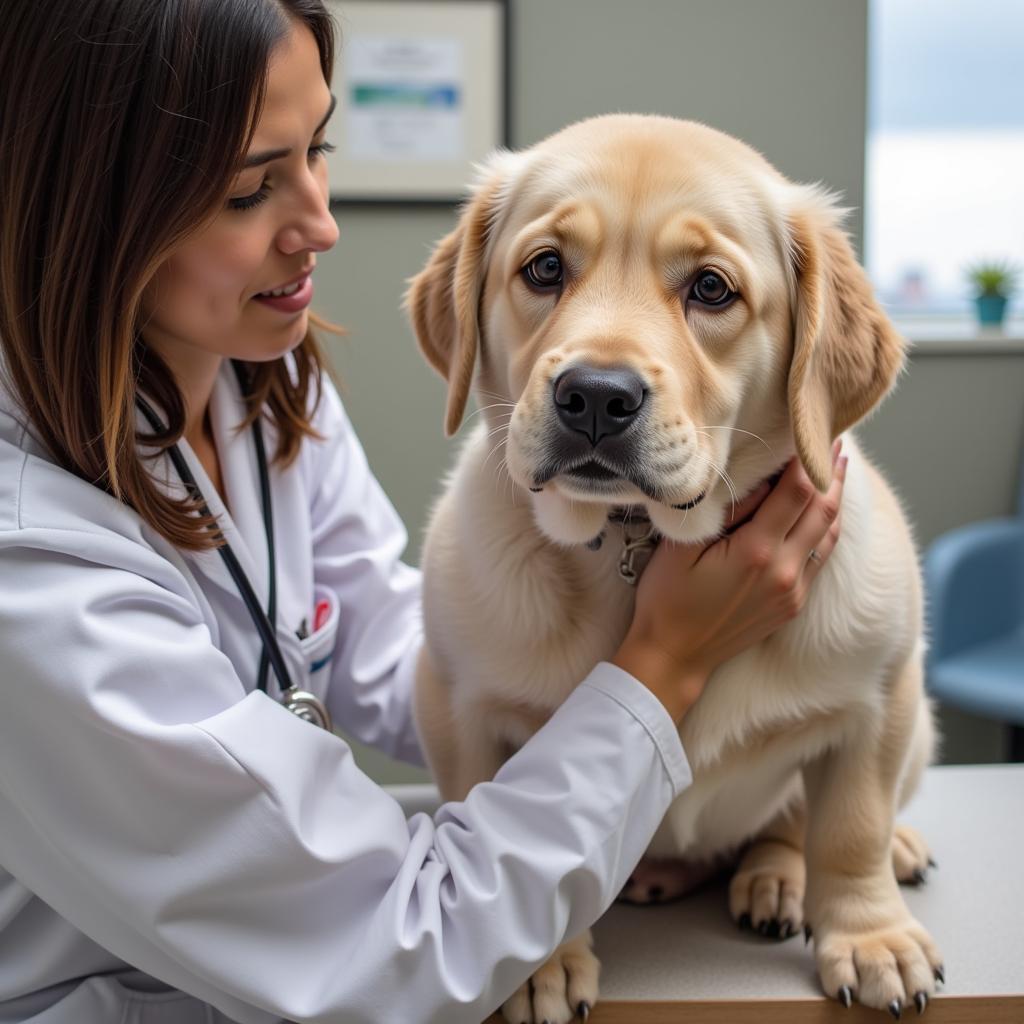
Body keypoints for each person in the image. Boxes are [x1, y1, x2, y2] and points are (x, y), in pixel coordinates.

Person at [0, 2, 846, 1022]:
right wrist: (661, 664)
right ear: (84, 204)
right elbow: (392, 952)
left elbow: (404, 660)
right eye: (248, 188)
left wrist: (708, 756)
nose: (320, 223)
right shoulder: (30, 568)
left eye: (317, 151)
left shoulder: (260, 391)